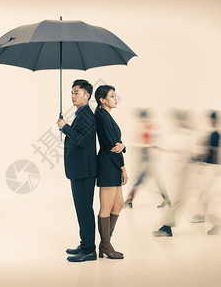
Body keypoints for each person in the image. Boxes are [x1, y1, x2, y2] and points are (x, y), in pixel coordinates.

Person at [57, 79, 97, 262]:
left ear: (87, 95)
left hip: (84, 172)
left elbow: (83, 141)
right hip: (80, 171)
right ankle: (85, 243)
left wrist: (64, 127)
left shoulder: (87, 114)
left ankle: (89, 250)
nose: (73, 96)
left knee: (85, 211)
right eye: (72, 92)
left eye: (76, 92)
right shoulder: (81, 113)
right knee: (82, 210)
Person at [94, 85, 127, 259]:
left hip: (113, 163)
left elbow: (117, 143)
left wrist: (123, 146)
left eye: (115, 95)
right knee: (106, 207)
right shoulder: (102, 116)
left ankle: (105, 243)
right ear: (102, 99)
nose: (115, 98)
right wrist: (123, 168)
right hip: (108, 164)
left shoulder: (107, 116)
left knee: (118, 204)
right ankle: (106, 245)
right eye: (112, 96)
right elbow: (112, 146)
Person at [124, 109, 171, 209]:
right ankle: (166, 199)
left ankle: (129, 200)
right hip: (148, 159)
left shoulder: (146, 128)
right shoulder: (148, 127)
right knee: (147, 180)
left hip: (147, 159)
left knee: (139, 180)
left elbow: (149, 144)